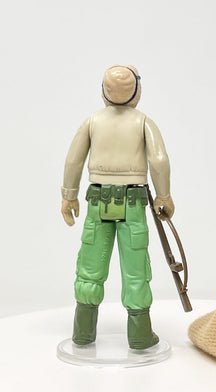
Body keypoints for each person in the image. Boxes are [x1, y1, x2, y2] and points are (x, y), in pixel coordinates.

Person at [61, 64, 174, 349]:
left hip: (98, 201)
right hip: (132, 203)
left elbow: (73, 160)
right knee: (135, 266)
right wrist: (164, 196)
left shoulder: (92, 121)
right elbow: (159, 161)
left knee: (90, 264)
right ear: (137, 91)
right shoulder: (143, 122)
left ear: (103, 91)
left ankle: (83, 332)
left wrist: (69, 195)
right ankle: (139, 335)